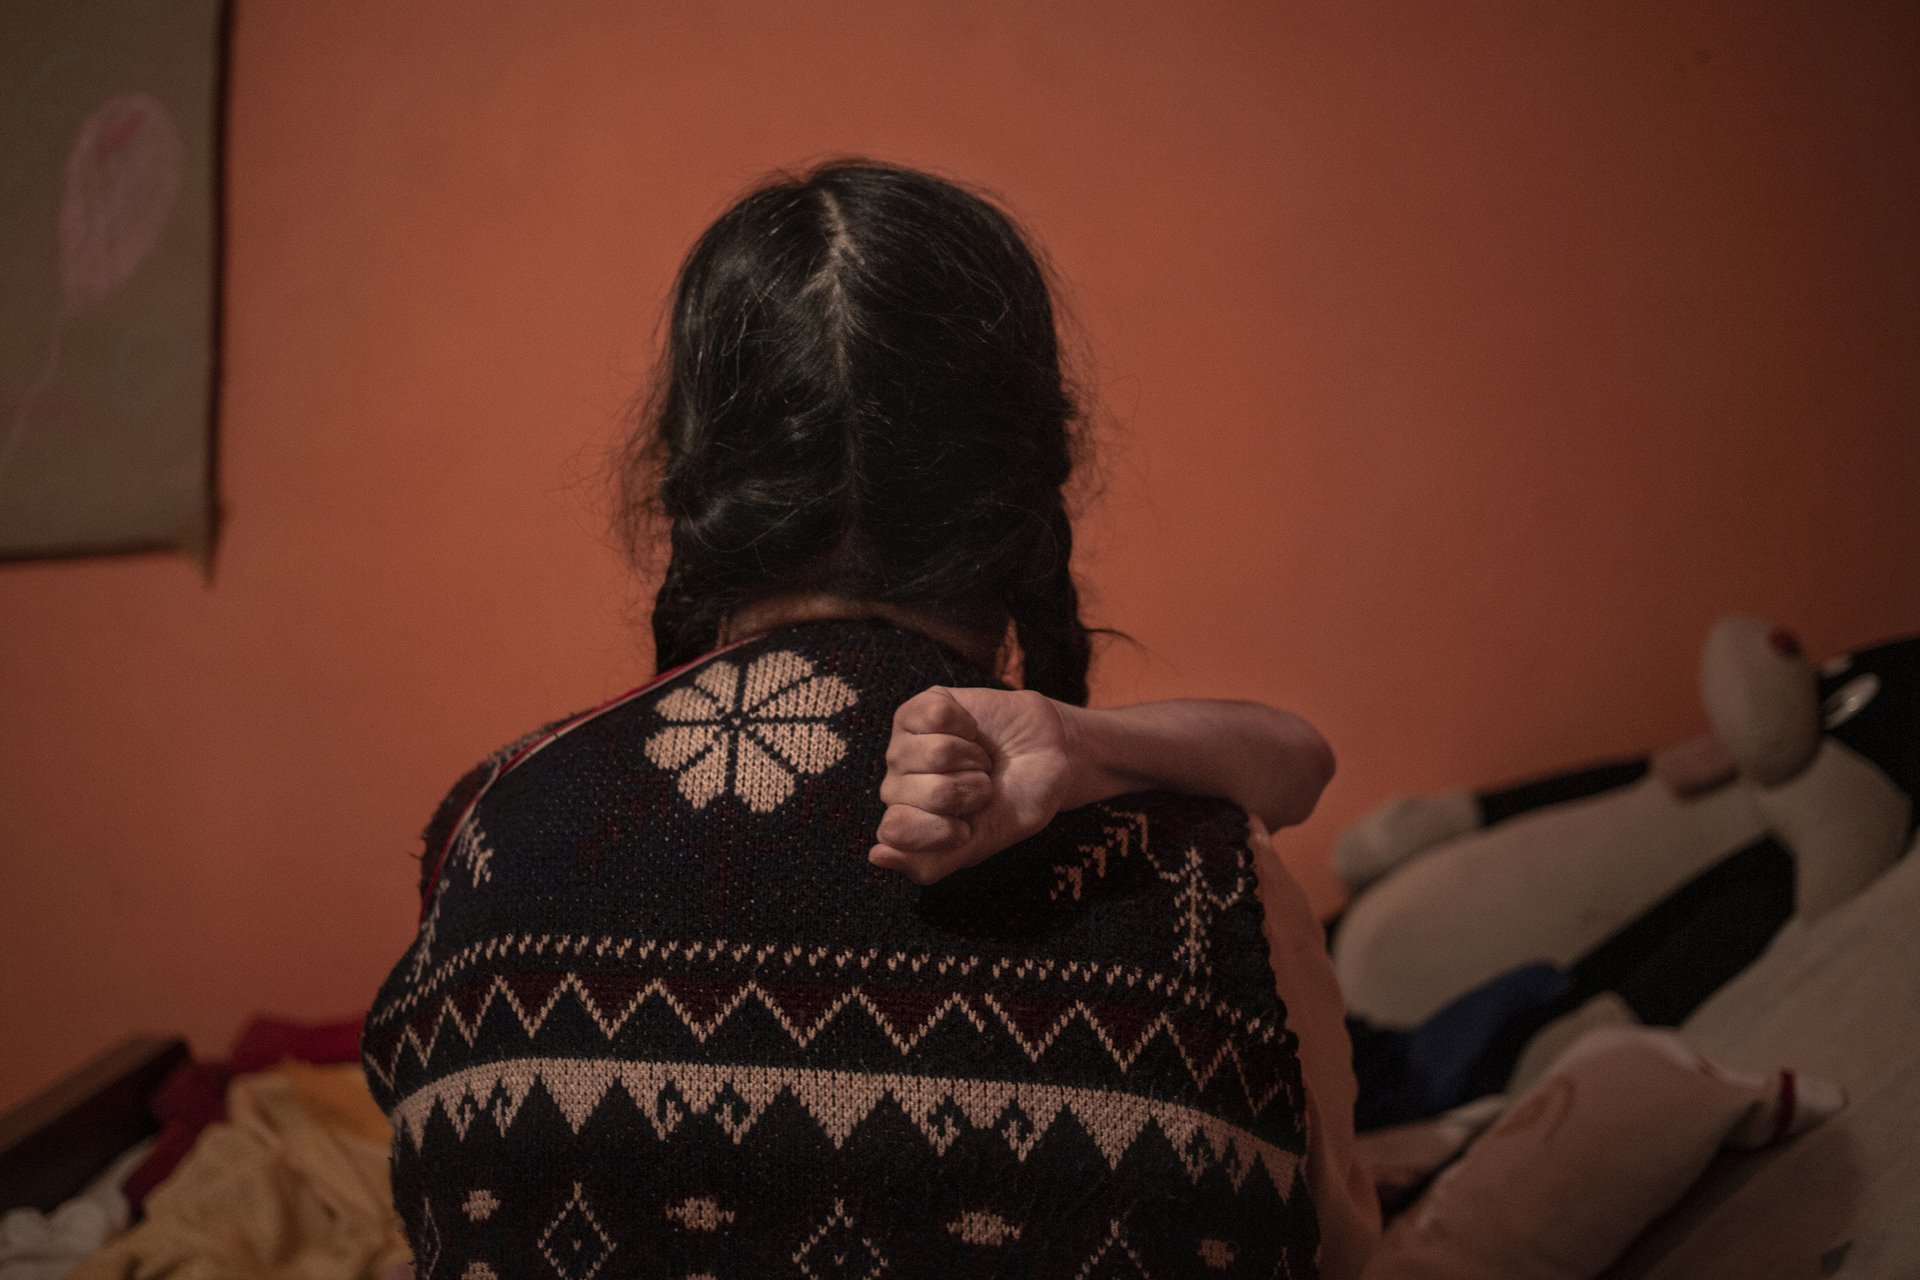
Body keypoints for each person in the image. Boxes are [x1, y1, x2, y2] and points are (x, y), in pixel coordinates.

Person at [361, 160, 1377, 1278]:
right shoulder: (1204, 881)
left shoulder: (494, 831)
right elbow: (1338, 1246)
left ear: (685, 477)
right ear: (1032, 481)